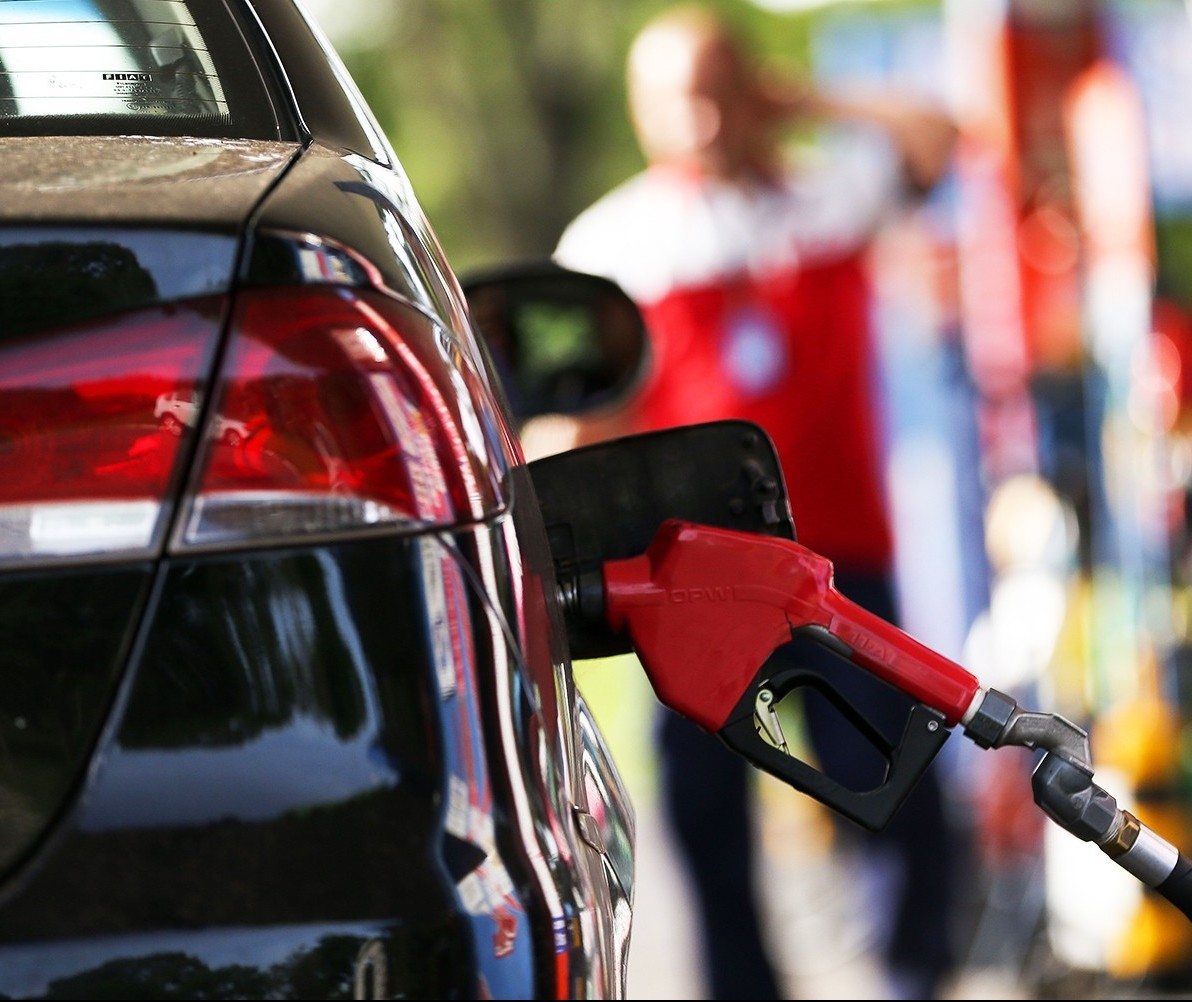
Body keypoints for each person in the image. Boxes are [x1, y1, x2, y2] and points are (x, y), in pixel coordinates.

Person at [551, 5, 965, 999]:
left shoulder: (826, 196)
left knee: (896, 771)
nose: (698, 121)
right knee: (705, 806)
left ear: (752, 91)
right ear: (640, 114)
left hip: (836, 551)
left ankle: (913, 968)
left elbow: (935, 138)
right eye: (673, 102)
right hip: (694, 578)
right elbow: (575, 416)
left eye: (717, 93)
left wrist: (805, 98)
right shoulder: (616, 243)